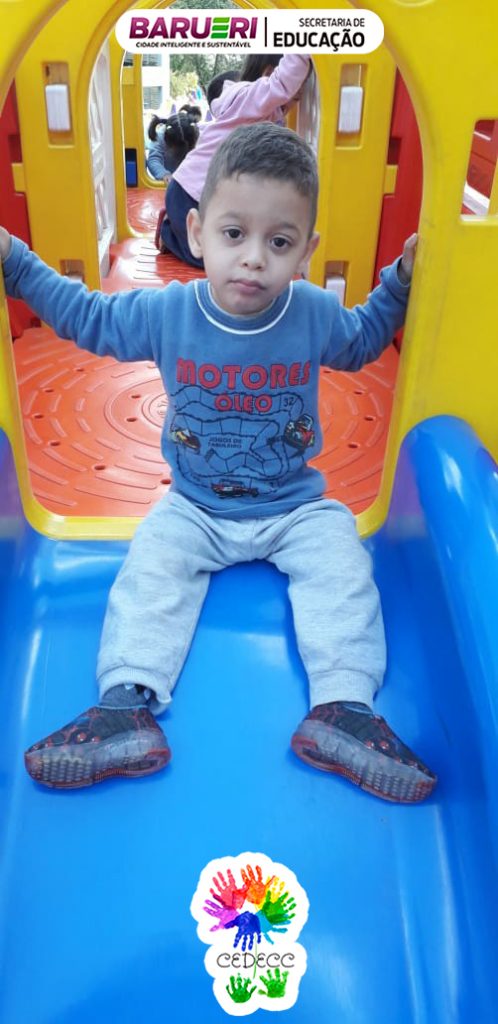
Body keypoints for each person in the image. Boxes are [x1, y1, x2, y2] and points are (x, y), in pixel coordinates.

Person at [0, 123, 436, 804]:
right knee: (150, 567)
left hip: (293, 504)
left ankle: (343, 708)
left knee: (344, 566)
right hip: (196, 507)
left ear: (307, 251)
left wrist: (402, 281)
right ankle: (125, 705)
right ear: (198, 233)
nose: (254, 259)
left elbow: (361, 340)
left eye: (279, 242)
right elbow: (87, 317)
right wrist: (16, 263)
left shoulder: (312, 313)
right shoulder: (169, 313)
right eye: (235, 234)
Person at [158, 54, 312, 268]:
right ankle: (168, 234)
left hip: (207, 196)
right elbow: (282, 84)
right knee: (214, 261)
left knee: (228, 250)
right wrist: (303, 49)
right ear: (269, 73)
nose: (296, 103)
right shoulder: (248, 98)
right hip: (189, 192)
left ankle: (176, 229)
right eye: (296, 96)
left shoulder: (263, 113)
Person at [146, 110, 199, 183]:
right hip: (168, 181)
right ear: (168, 142)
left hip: (191, 179)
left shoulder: (197, 135)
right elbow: (154, 159)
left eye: (186, 148)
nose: (181, 152)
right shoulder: (160, 137)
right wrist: (164, 174)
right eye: (179, 148)